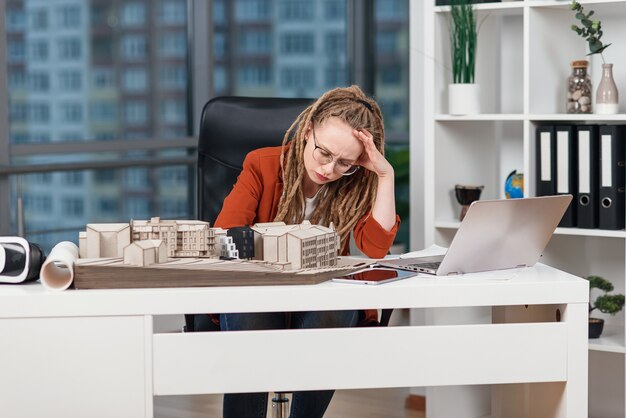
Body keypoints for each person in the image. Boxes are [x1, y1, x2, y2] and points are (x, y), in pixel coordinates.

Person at [213, 85, 400, 418]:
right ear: (308, 131)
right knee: (251, 317)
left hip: (321, 299)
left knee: (332, 315)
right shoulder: (263, 164)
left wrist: (385, 175)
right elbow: (225, 236)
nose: (329, 169)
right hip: (260, 292)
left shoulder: (355, 183)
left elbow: (376, 247)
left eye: (345, 162)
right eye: (323, 153)